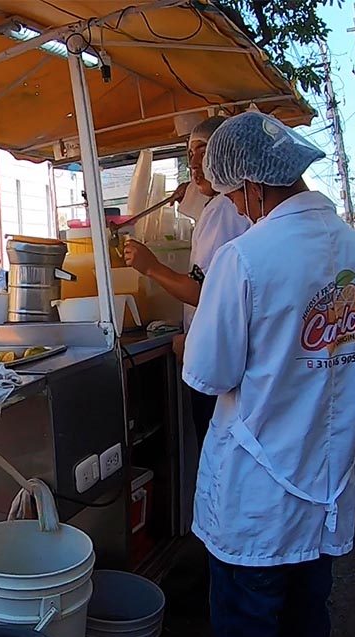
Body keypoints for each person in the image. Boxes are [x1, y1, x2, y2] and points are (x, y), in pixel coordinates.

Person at [184, 111, 355, 637]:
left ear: (251, 184)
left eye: (235, 198)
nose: (238, 210)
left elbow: (209, 374)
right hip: (325, 488)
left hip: (259, 499)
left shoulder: (245, 257)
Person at [125, 115, 250, 443]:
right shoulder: (216, 206)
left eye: (203, 151)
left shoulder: (225, 209)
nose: (193, 162)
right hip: (215, 354)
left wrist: (150, 267)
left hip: (218, 359)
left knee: (217, 446)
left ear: (228, 154)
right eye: (189, 153)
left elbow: (205, 292)